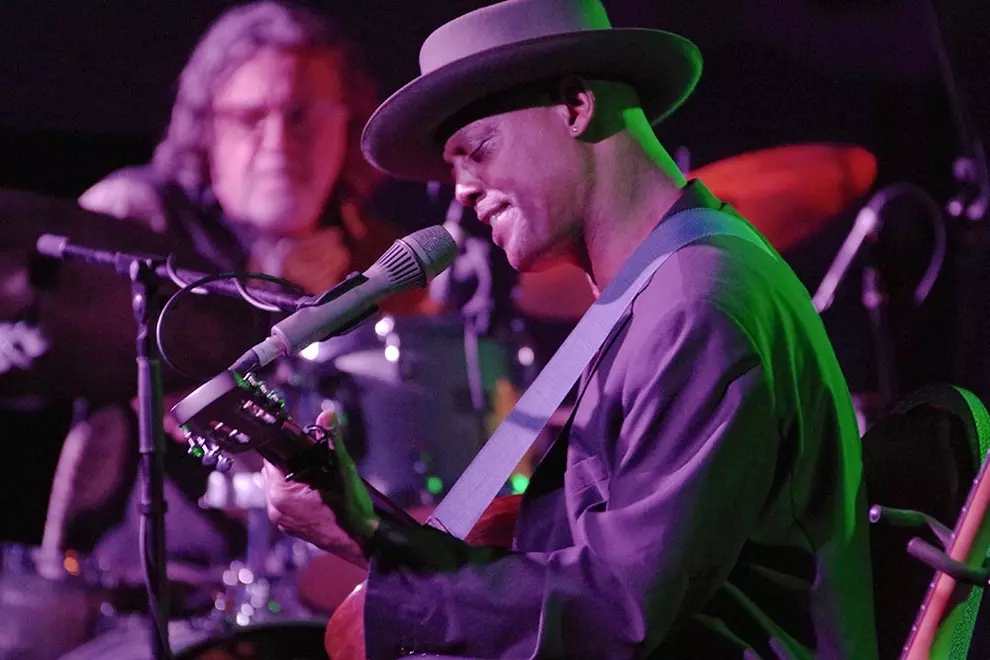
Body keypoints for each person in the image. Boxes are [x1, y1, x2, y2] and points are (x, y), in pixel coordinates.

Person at [264, 0, 879, 658]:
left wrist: (404, 603)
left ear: (575, 105)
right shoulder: (654, 299)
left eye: (477, 150)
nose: (463, 190)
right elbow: (578, 567)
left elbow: (618, 611)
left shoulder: (697, 306)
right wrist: (364, 527)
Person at [53, 0, 433, 597]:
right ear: (206, 129)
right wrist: (264, 282)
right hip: (150, 585)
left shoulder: (380, 256)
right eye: (249, 118)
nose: (279, 142)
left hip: (326, 590)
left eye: (303, 116)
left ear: (348, 122)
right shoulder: (137, 219)